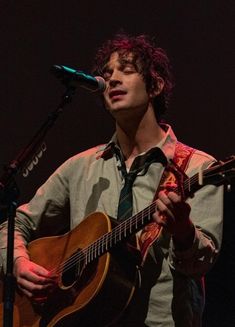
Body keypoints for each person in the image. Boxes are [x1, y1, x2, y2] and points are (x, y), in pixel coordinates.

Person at [0, 34, 223, 326]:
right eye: (107, 74)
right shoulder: (80, 168)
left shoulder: (197, 167)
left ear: (155, 85)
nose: (112, 79)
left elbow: (202, 263)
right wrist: (19, 262)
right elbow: (15, 223)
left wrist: (183, 230)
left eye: (126, 70)